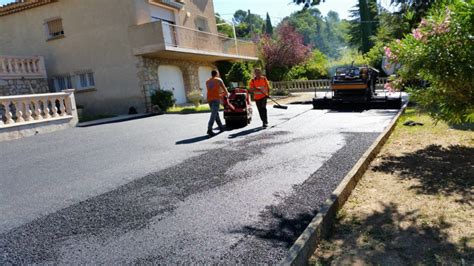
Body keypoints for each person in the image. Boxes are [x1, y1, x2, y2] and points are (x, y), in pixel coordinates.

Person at [206, 70, 229, 136]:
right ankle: (209, 129)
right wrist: (227, 94)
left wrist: (219, 94)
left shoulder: (207, 81)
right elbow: (224, 88)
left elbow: (212, 90)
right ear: (216, 74)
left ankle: (221, 127)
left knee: (215, 114)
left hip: (209, 99)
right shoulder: (218, 80)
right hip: (215, 99)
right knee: (213, 114)